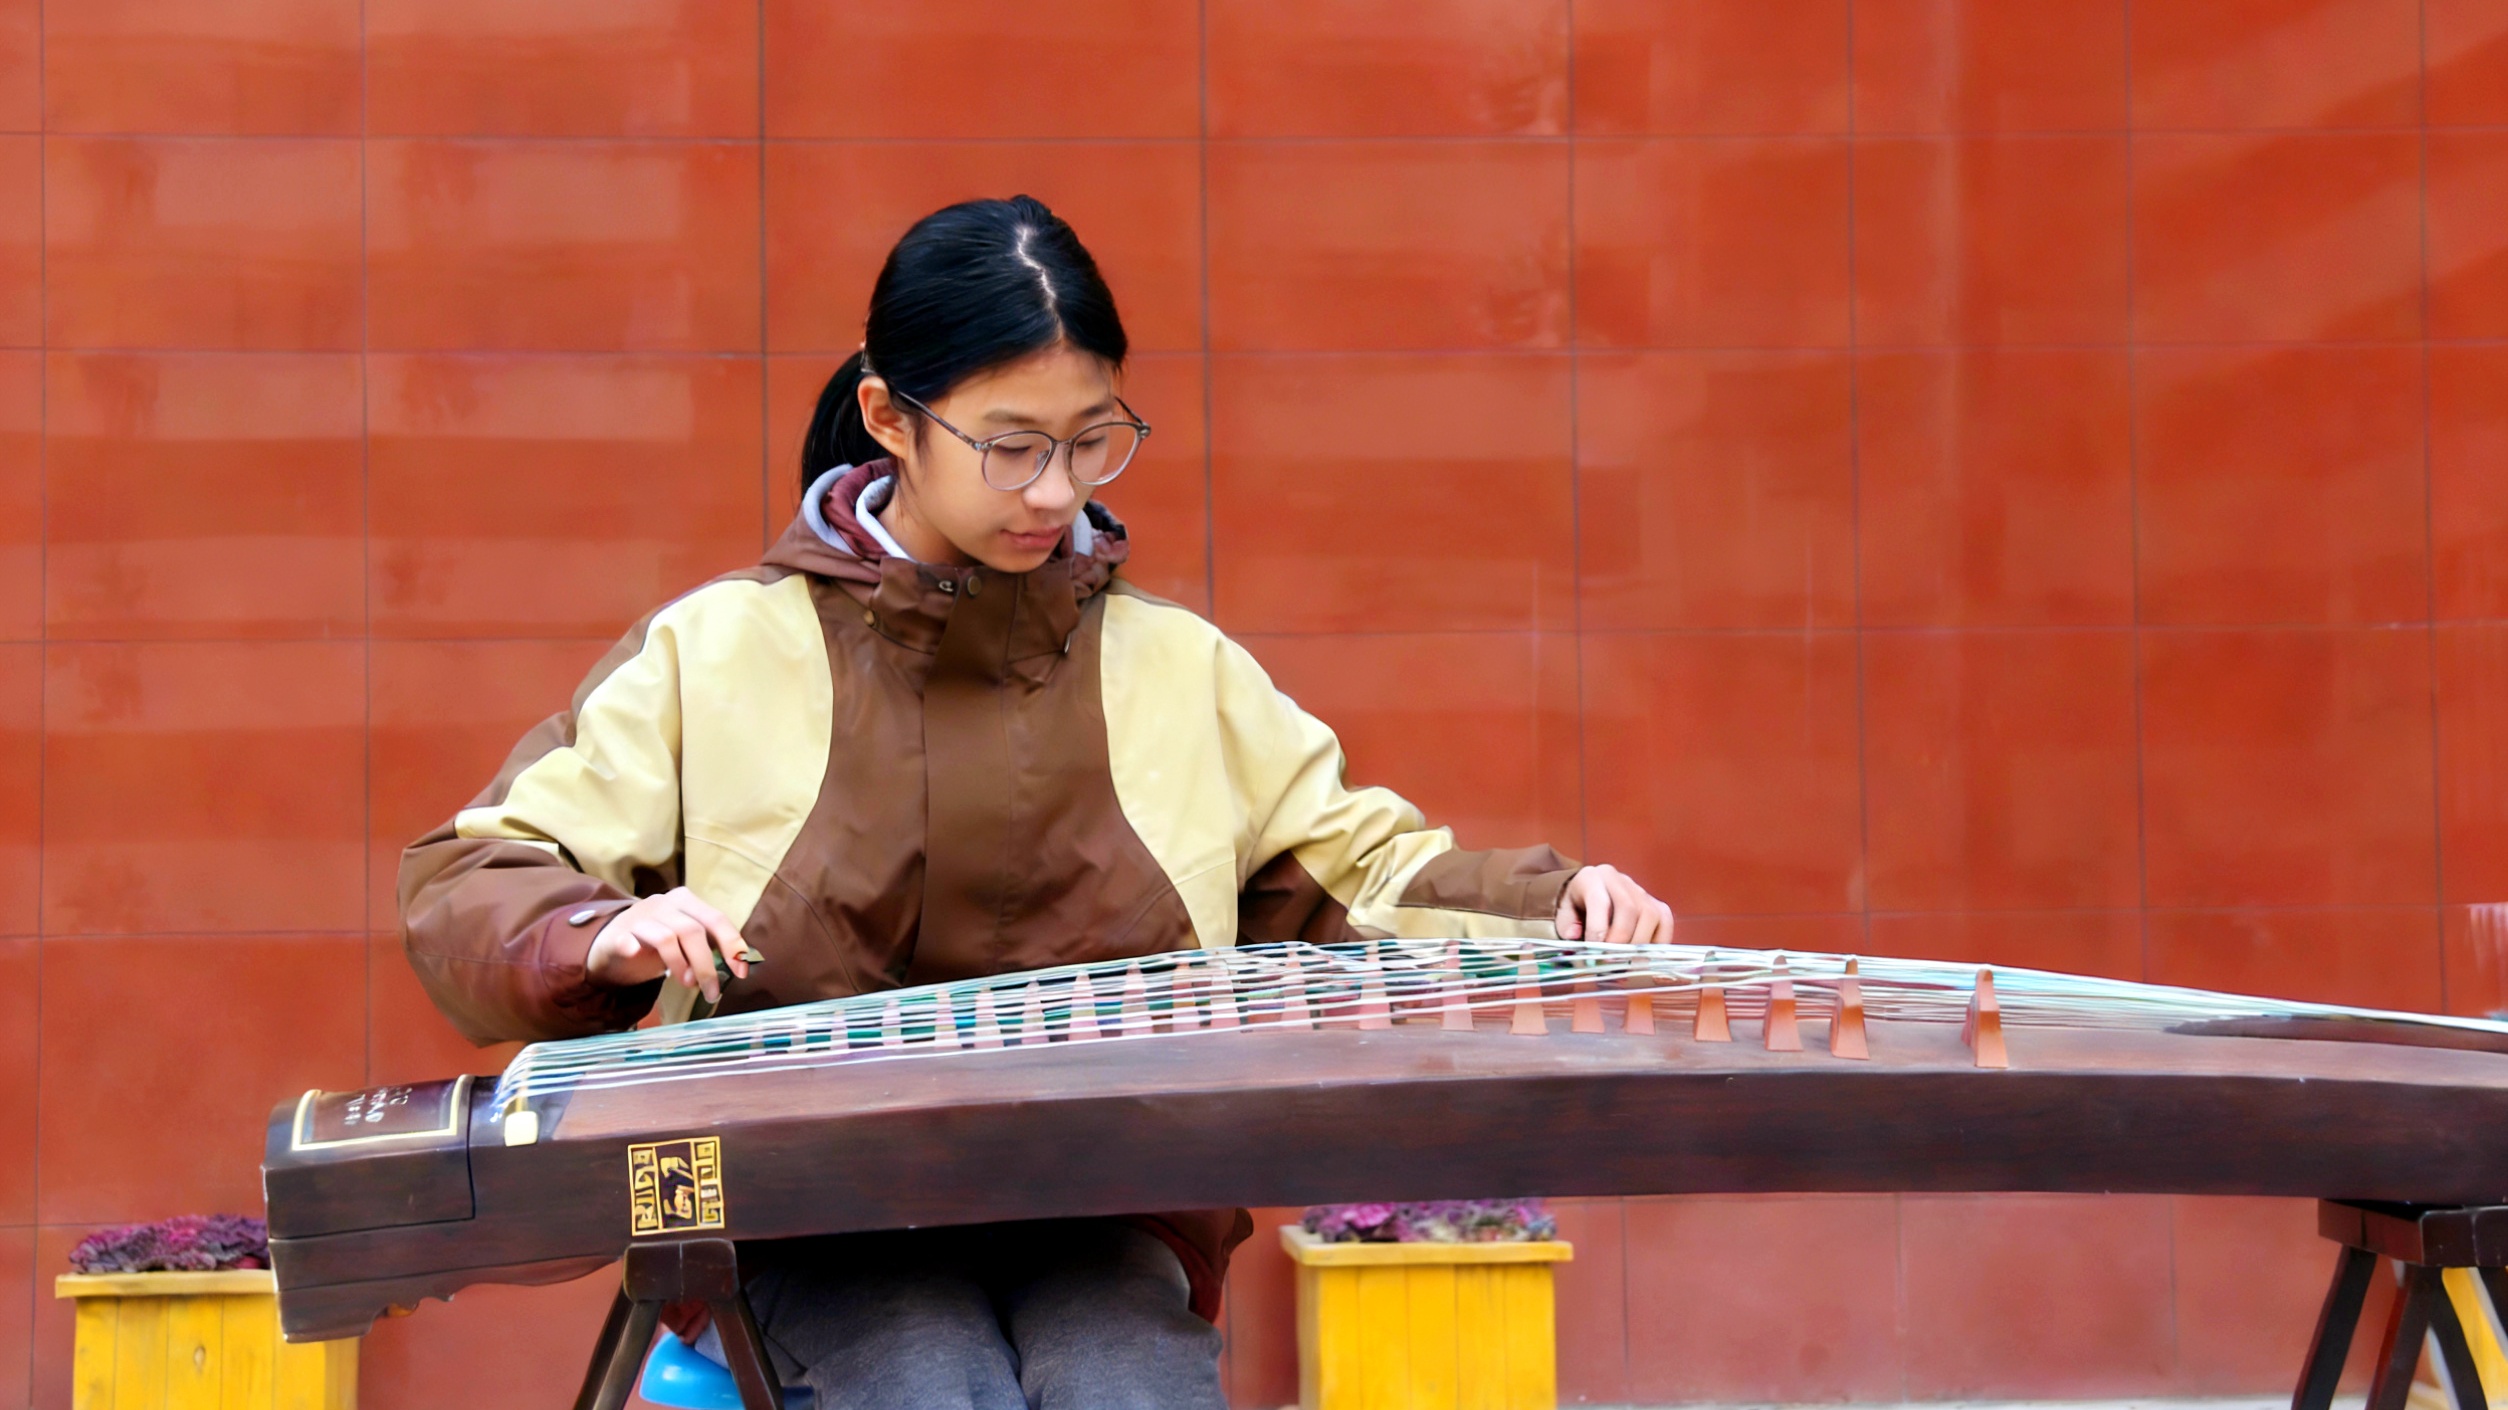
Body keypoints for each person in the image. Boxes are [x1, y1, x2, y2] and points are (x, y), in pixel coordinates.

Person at [399, 194, 1674, 1410]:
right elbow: (478, 874)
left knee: (1127, 1379)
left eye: (1091, 439)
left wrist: (1552, 905)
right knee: (924, 1374)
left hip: (1098, 1193)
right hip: (796, 1203)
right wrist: (598, 934)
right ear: (889, 419)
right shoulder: (720, 652)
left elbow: (1356, 878)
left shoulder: (1176, 669)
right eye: (1011, 447)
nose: (1056, 490)